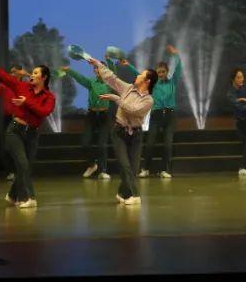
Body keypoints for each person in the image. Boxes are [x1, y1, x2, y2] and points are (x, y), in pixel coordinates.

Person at [0, 56, 56, 208]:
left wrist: (26, 102)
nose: (32, 75)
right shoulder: (21, 86)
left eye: (36, 73)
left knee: (26, 167)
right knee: (23, 164)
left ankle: (12, 196)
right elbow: (1, 75)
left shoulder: (49, 97)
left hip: (32, 134)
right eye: (32, 72)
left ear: (44, 77)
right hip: (15, 131)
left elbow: (44, 111)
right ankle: (29, 198)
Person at [85, 56, 156, 206]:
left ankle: (122, 193)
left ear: (147, 81)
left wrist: (117, 99)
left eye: (141, 75)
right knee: (125, 165)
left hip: (136, 135)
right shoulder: (128, 88)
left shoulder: (148, 100)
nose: (137, 76)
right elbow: (112, 78)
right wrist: (98, 64)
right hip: (119, 132)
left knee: (133, 168)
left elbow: (134, 111)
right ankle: (135, 195)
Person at [56, 63, 113, 179]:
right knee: (85, 143)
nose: (97, 70)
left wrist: (109, 61)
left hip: (104, 115)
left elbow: (114, 72)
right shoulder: (91, 81)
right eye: (95, 68)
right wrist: (69, 70)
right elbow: (80, 78)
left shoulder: (110, 82)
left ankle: (103, 170)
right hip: (91, 115)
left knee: (102, 145)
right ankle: (92, 165)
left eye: (100, 68)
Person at [138, 46, 183, 179]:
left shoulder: (172, 82)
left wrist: (176, 55)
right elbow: (138, 74)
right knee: (150, 143)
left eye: (163, 71)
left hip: (170, 115)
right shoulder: (153, 84)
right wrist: (127, 65)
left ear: (167, 72)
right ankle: (145, 169)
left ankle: (165, 170)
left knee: (168, 144)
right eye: (159, 72)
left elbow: (179, 68)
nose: (161, 74)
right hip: (156, 115)